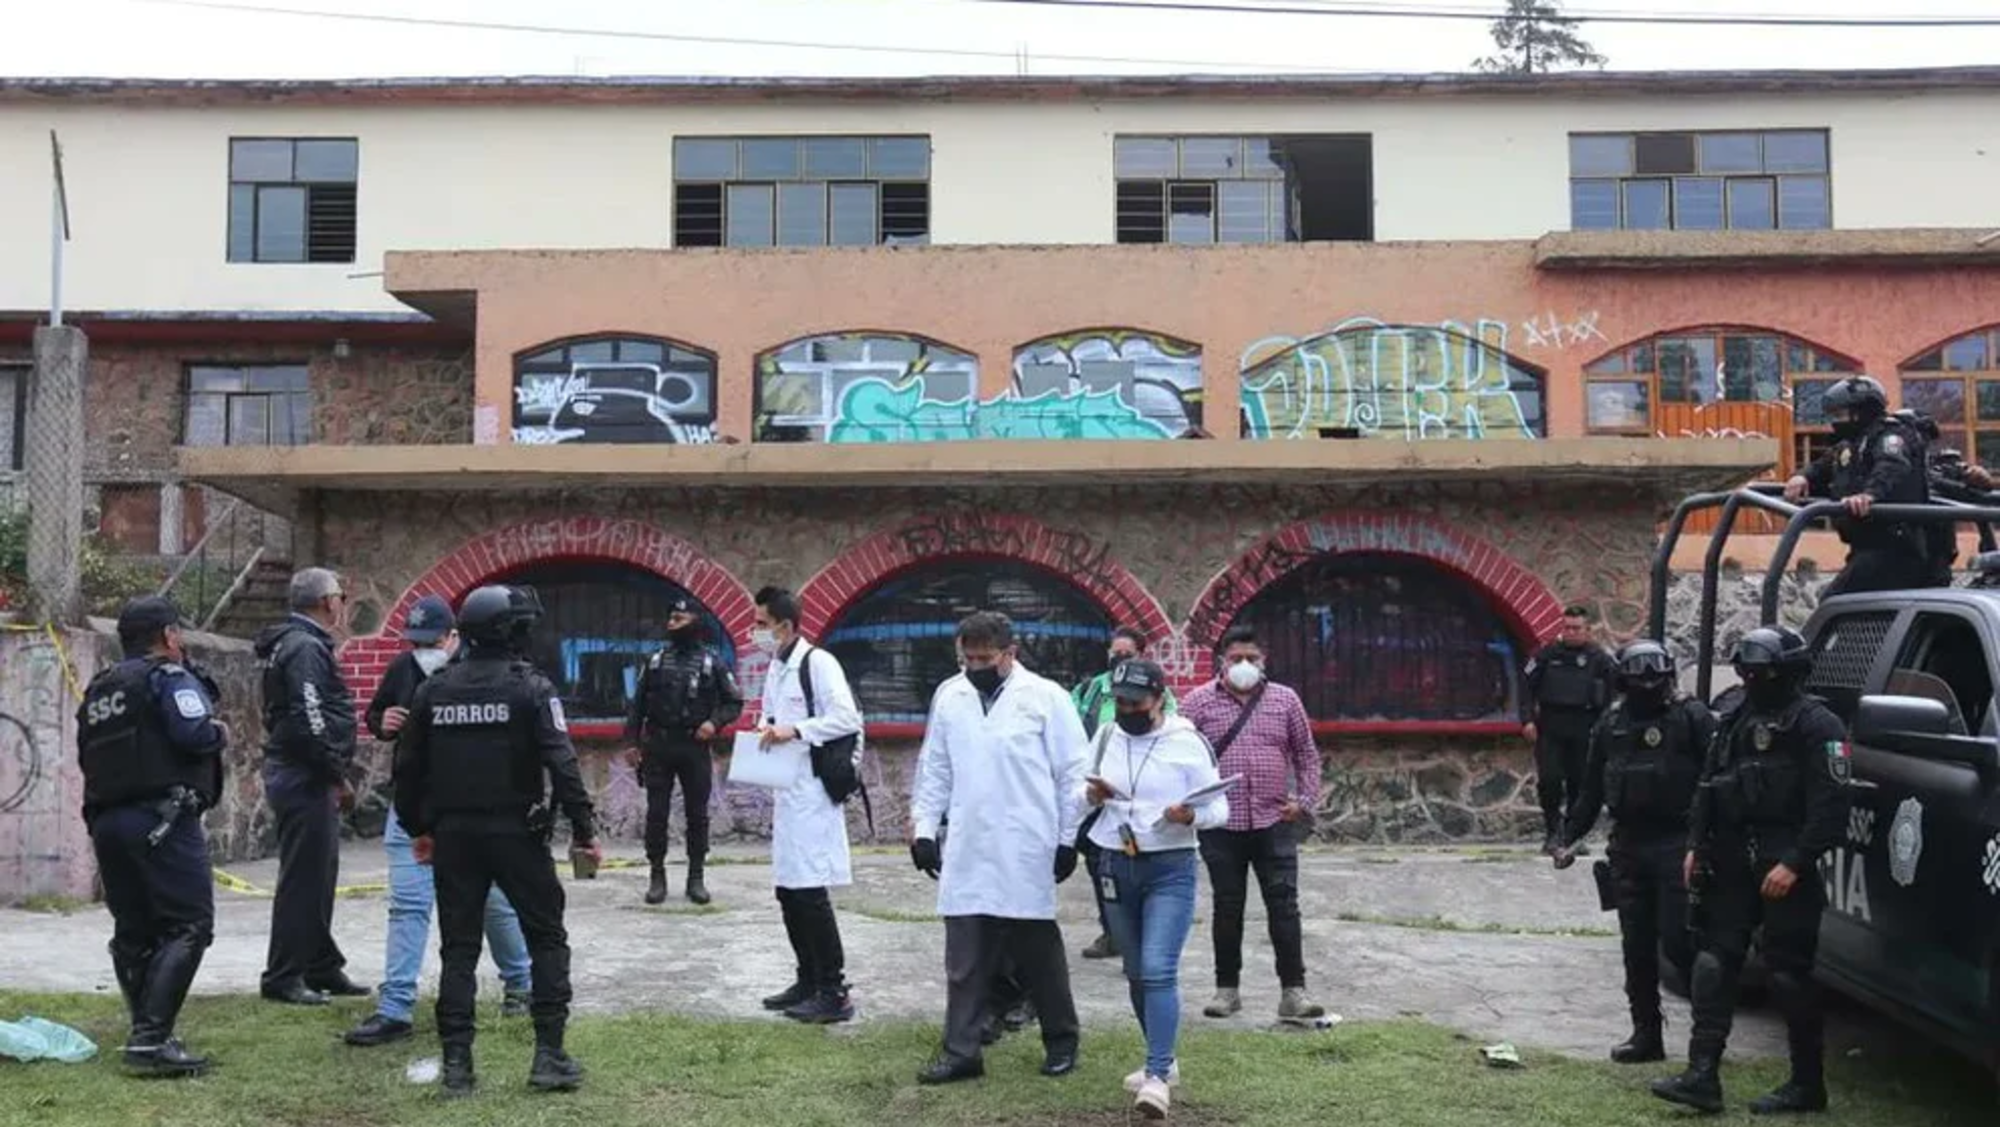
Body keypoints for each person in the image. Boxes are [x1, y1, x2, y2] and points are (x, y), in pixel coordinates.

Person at [395, 584, 600, 1097]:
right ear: (513, 631)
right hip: (517, 834)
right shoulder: (531, 688)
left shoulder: (434, 690)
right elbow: (563, 764)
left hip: (455, 837)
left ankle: (458, 1067)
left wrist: (419, 828)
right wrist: (584, 830)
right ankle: (549, 1056)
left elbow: (407, 769)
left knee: (458, 950)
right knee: (546, 938)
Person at [1652, 626, 1848, 1116]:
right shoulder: (1736, 717)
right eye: (1745, 671)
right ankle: (1701, 1077)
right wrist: (1697, 843)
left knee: (1787, 975)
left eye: (1760, 671)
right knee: (1714, 963)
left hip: (1784, 860)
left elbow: (1832, 805)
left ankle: (1807, 1084)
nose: (1751, 679)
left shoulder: (1817, 725)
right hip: (1732, 858)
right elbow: (1709, 784)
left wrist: (1795, 862)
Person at [344, 595, 534, 1047]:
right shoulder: (403, 670)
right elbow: (377, 715)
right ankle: (395, 1009)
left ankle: (521, 984)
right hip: (412, 810)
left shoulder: (482, 671)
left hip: (468, 809)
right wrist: (382, 721)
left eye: (432, 641)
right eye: (415, 642)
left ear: (454, 637)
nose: (422, 649)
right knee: (408, 906)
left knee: (492, 901)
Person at [910, 610, 1087, 1085]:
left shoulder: (1046, 699)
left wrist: (1068, 838)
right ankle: (962, 1050)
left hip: (1027, 843)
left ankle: (1062, 1041)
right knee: (964, 958)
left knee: (1037, 954)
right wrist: (924, 830)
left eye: (984, 658)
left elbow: (1074, 774)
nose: (975, 666)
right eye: (967, 657)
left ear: (1010, 654)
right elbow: (936, 769)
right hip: (968, 844)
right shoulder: (951, 696)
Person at [78, 596, 228, 1076]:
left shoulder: (100, 689)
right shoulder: (168, 677)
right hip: (162, 819)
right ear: (169, 636)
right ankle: (150, 1040)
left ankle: (147, 1033)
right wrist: (218, 731)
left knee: (134, 932)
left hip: (107, 821)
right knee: (188, 925)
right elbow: (194, 735)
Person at [1553, 639, 1716, 1065]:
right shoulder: (1610, 725)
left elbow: (1715, 782)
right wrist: (1568, 837)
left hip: (1678, 841)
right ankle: (1646, 1034)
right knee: (1637, 947)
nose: (1647, 687)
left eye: (1654, 680)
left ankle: (1707, 1042)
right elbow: (1590, 790)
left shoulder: (1691, 717)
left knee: (1682, 943)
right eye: (1638, 680)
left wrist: (1704, 843)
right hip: (1629, 843)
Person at [1084, 658, 1228, 1120]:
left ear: (1159, 700)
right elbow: (1077, 791)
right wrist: (1090, 797)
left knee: (1158, 967)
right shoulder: (1107, 736)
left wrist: (1191, 816)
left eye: (1135, 703)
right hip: (1114, 859)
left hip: (1170, 865)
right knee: (1134, 971)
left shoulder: (1186, 742)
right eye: (1119, 701)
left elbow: (1218, 808)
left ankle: (1157, 1076)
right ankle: (1162, 1057)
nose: (1126, 709)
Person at [1180, 625, 1327, 1024]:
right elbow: (1174, 753)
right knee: (1227, 907)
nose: (1244, 665)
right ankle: (1227, 990)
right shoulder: (1197, 703)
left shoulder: (1285, 700)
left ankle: (1293, 992)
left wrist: (1305, 802)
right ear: (1221, 662)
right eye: (1235, 658)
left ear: (1264, 662)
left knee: (1284, 906)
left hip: (1274, 820)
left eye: (1252, 658)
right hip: (1220, 824)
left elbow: (1307, 757)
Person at [253, 566, 366, 1006]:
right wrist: (335, 772)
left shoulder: (297, 643)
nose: (343, 602)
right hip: (305, 775)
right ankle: (283, 975)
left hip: (303, 771)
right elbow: (310, 716)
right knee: (304, 877)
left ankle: (321, 964)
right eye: (340, 594)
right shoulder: (303, 648)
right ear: (325, 602)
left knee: (320, 873)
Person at [752, 585, 864, 1024]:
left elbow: (846, 718)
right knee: (787, 889)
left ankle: (834, 991)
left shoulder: (818, 663)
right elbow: (769, 716)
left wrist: (794, 731)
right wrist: (768, 727)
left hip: (814, 791)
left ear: (786, 625)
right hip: (786, 789)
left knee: (810, 890)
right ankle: (808, 978)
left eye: (762, 623)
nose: (756, 631)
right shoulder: (776, 667)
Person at [625, 596, 743, 906]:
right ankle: (657, 875)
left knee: (697, 815)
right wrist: (631, 743)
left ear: (695, 623)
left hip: (694, 746)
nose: (671, 624)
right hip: (659, 746)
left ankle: (696, 877)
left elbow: (733, 702)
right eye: (670, 618)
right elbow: (637, 706)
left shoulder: (712, 661)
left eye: (679, 619)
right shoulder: (655, 661)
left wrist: (713, 723)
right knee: (657, 814)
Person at [1071, 626, 1179, 962]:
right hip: (1098, 794)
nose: (1118, 658)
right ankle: (1112, 931)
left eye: (1126, 654)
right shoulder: (1089, 690)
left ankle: (1140, 937)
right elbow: (1071, 733)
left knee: (1138, 867)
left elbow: (1168, 735)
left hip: (1138, 795)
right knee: (1099, 868)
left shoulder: (1160, 695)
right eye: (1114, 652)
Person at [1785, 375, 1938, 597]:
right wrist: (1803, 477)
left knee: (1834, 601)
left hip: (1896, 548)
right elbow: (1823, 466)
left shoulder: (1890, 436)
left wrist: (1869, 495)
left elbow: (1892, 465)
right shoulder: (1851, 444)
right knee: (1848, 606)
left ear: (1861, 412)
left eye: (1840, 414)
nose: (1835, 421)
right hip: (1866, 547)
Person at [1523, 605, 1615, 855]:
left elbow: (1613, 694)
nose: (1571, 632)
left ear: (1588, 630)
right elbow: (1526, 688)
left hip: (1585, 726)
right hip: (1551, 726)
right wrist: (1527, 720)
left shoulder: (1599, 658)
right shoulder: (1546, 654)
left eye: (1577, 628)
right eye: (1567, 627)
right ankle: (1553, 831)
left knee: (1580, 783)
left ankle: (1572, 835)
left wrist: (1606, 726)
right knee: (1550, 781)